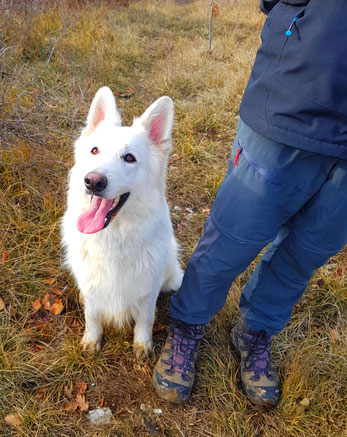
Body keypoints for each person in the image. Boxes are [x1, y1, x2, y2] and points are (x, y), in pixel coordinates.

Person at [152, 0, 347, 408]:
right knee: (232, 238)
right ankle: (187, 324)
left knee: (306, 252)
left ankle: (255, 330)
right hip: (292, 103)